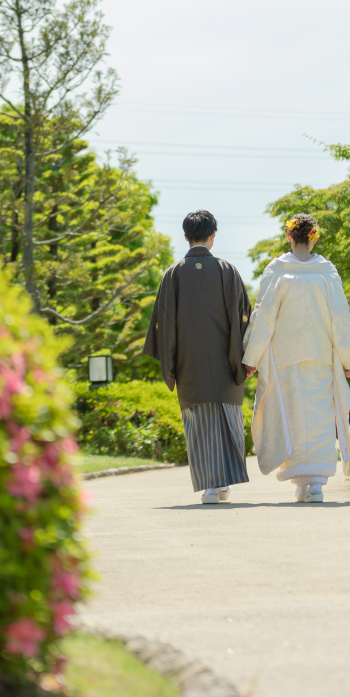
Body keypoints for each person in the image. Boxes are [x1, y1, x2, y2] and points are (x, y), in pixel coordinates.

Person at [242, 213, 350, 503]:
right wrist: (349, 359)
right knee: (320, 417)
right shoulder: (326, 270)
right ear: (314, 237)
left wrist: (252, 357)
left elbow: (264, 314)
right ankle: (315, 484)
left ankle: (302, 483)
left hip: (286, 356)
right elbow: (339, 314)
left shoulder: (277, 269)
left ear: (288, 236)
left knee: (293, 417)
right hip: (321, 355)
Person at [144, 210, 251, 504]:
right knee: (227, 419)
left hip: (189, 365)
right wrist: (247, 358)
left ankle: (210, 487)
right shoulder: (228, 270)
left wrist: (171, 363)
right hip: (226, 364)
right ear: (213, 236)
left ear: (185, 237)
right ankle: (224, 483)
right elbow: (244, 318)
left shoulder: (174, 273)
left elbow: (163, 326)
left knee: (200, 424)